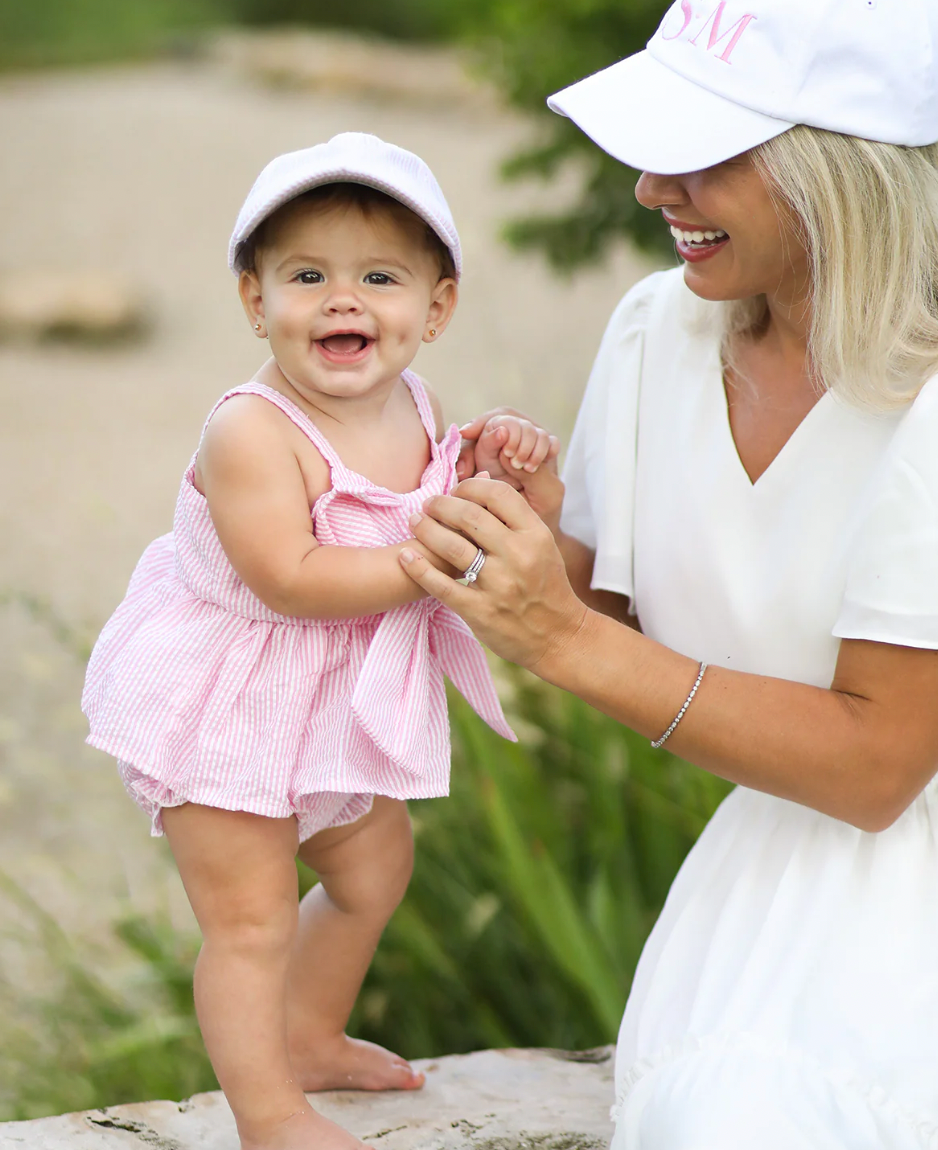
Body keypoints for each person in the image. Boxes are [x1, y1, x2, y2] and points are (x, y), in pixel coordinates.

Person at [400, 1, 938, 1146]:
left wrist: (560, 635)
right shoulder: (659, 329)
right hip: (768, 880)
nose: (651, 187)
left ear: (839, 165)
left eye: (704, 151)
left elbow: (879, 766)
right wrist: (536, 550)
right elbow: (606, 614)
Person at [81, 132, 556, 1150]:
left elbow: (450, 486)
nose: (342, 300)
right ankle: (269, 1116)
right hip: (228, 699)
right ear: (256, 301)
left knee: (374, 865)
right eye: (307, 276)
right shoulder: (250, 431)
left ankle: (306, 1033)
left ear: (435, 309)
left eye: (378, 277)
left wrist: (495, 452)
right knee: (248, 920)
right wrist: (434, 563)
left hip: (329, 696)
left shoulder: (417, 406)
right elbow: (290, 577)